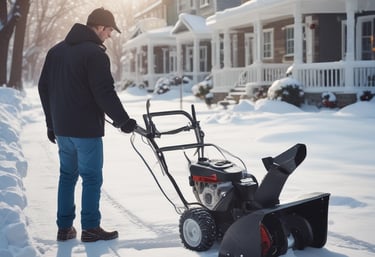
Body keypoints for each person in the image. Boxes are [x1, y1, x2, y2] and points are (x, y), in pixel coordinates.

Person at [38, 7, 136, 242]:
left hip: (62, 129)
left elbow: (44, 87)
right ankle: (91, 227)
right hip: (86, 131)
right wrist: (123, 120)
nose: (110, 36)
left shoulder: (56, 51)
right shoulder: (95, 54)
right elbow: (104, 92)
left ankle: (64, 228)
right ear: (100, 27)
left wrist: (51, 124)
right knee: (91, 178)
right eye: (109, 30)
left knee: (67, 176)